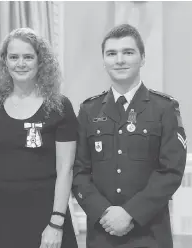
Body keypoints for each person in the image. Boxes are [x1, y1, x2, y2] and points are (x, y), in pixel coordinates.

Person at [72, 23, 187, 248]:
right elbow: (79, 171)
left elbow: (171, 170)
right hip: (102, 232)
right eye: (112, 54)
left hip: (150, 233)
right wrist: (103, 212)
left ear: (142, 58)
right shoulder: (89, 110)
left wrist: (130, 214)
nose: (119, 60)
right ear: (104, 60)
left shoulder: (164, 108)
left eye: (128, 52)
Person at [0, 27, 79, 248]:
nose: (20, 64)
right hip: (1, 219)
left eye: (28, 57)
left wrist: (56, 222)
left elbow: (65, 169)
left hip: (46, 218)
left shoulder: (60, 107)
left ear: (40, 61)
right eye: (13, 57)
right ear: (5, 61)